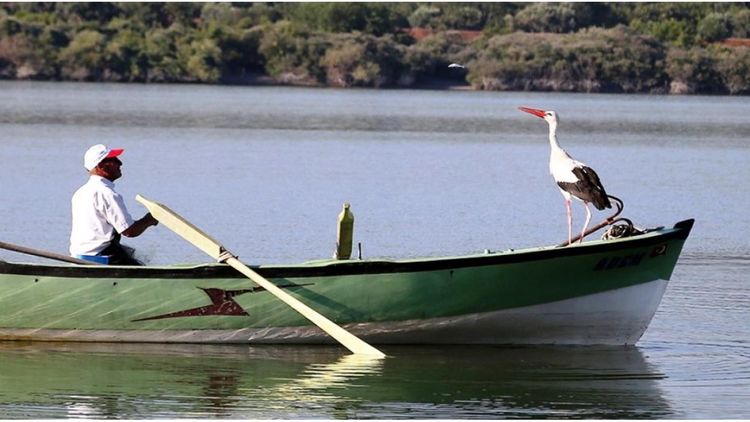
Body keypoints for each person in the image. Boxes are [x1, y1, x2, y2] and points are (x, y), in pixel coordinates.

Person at [69, 144, 158, 265]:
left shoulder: (81, 192)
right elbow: (129, 231)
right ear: (100, 166)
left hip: (78, 255)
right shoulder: (107, 194)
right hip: (101, 256)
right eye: (113, 160)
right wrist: (150, 219)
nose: (120, 163)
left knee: (131, 255)